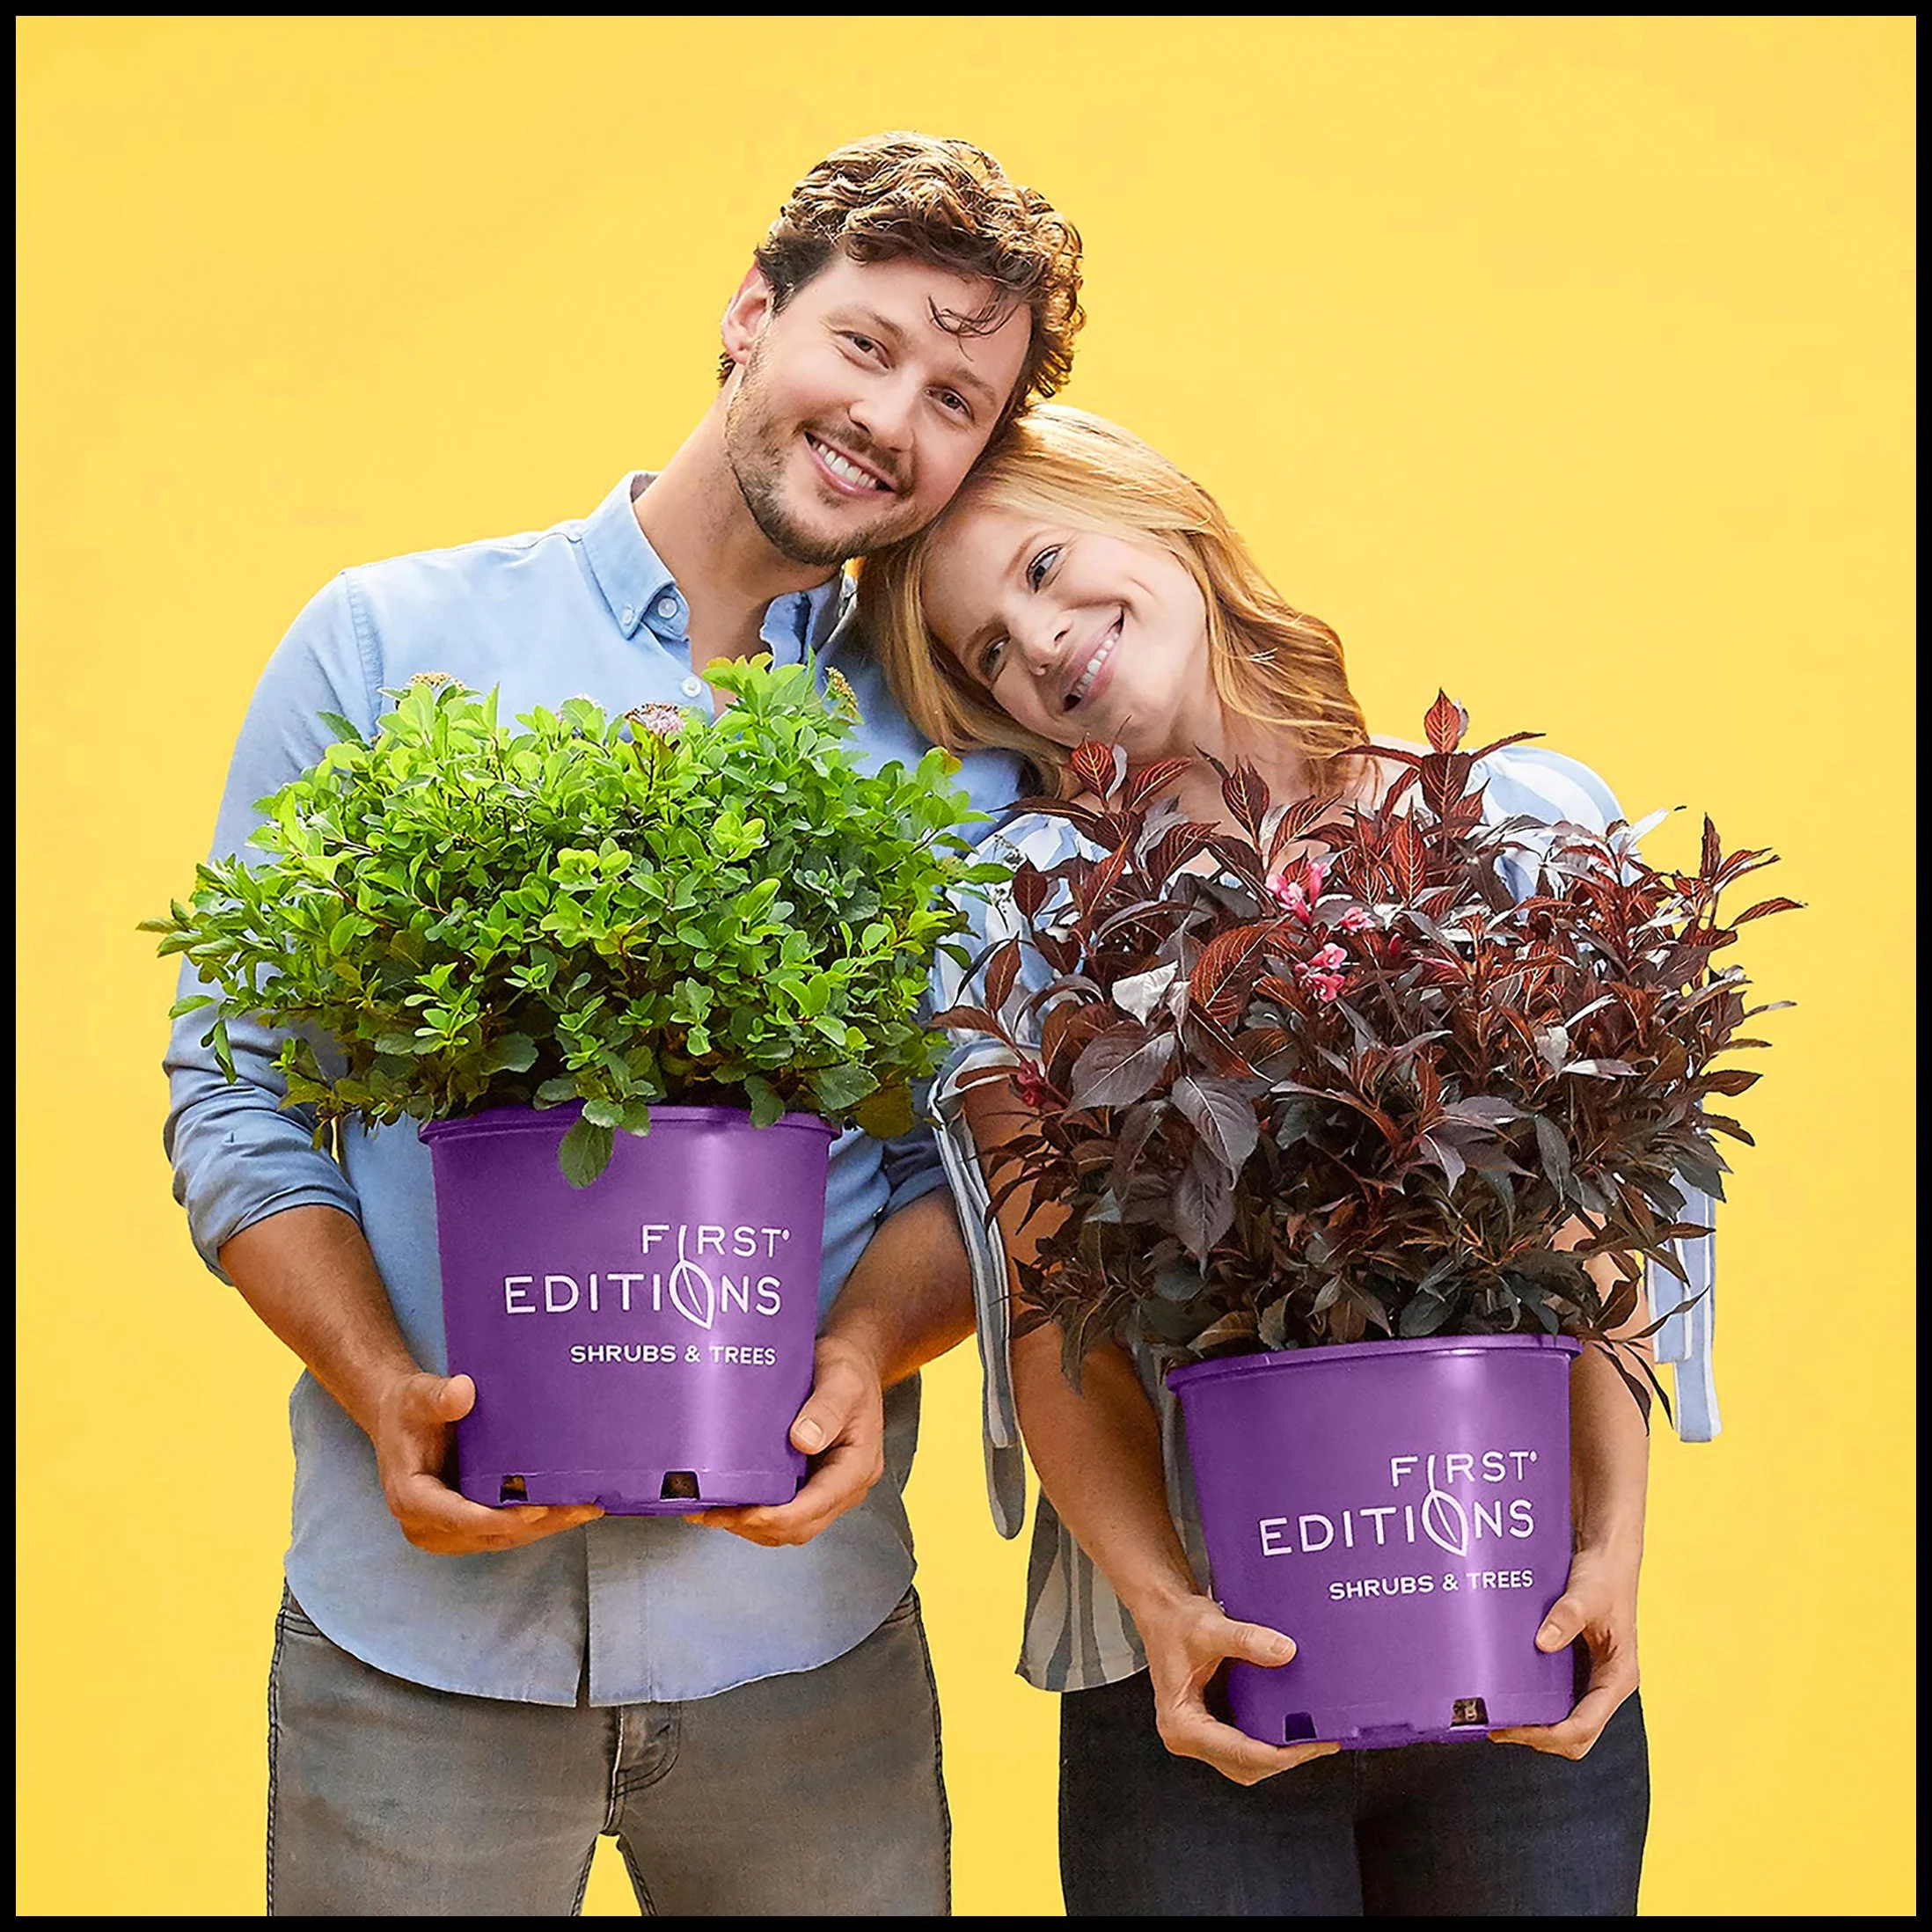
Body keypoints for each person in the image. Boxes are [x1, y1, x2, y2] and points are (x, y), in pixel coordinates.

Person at [161, 131, 1084, 1918]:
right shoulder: (391, 644)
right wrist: (381, 1392)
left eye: (955, 401)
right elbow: (238, 1097)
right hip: (413, 1644)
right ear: (750, 314)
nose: (890, 418)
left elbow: (977, 1161)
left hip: (801, 1649)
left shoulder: (958, 756)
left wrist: (859, 1355)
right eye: (867, 344)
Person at [859, 403, 1720, 1917]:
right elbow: (1056, 1301)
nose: (1041, 644)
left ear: (1166, 517)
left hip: (1507, 1608)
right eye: (990, 652)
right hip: (1193, 1680)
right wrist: (1162, 1607)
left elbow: (1591, 1237)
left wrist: (1608, 1550)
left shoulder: (1517, 825)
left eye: (1046, 567)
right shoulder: (1026, 912)